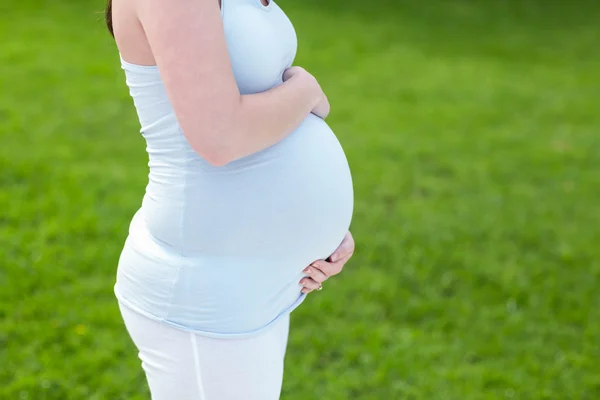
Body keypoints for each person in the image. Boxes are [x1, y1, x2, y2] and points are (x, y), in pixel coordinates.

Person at [106, 0, 355, 398]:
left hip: (256, 280)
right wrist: (306, 90)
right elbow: (220, 137)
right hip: (206, 289)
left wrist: (319, 233)